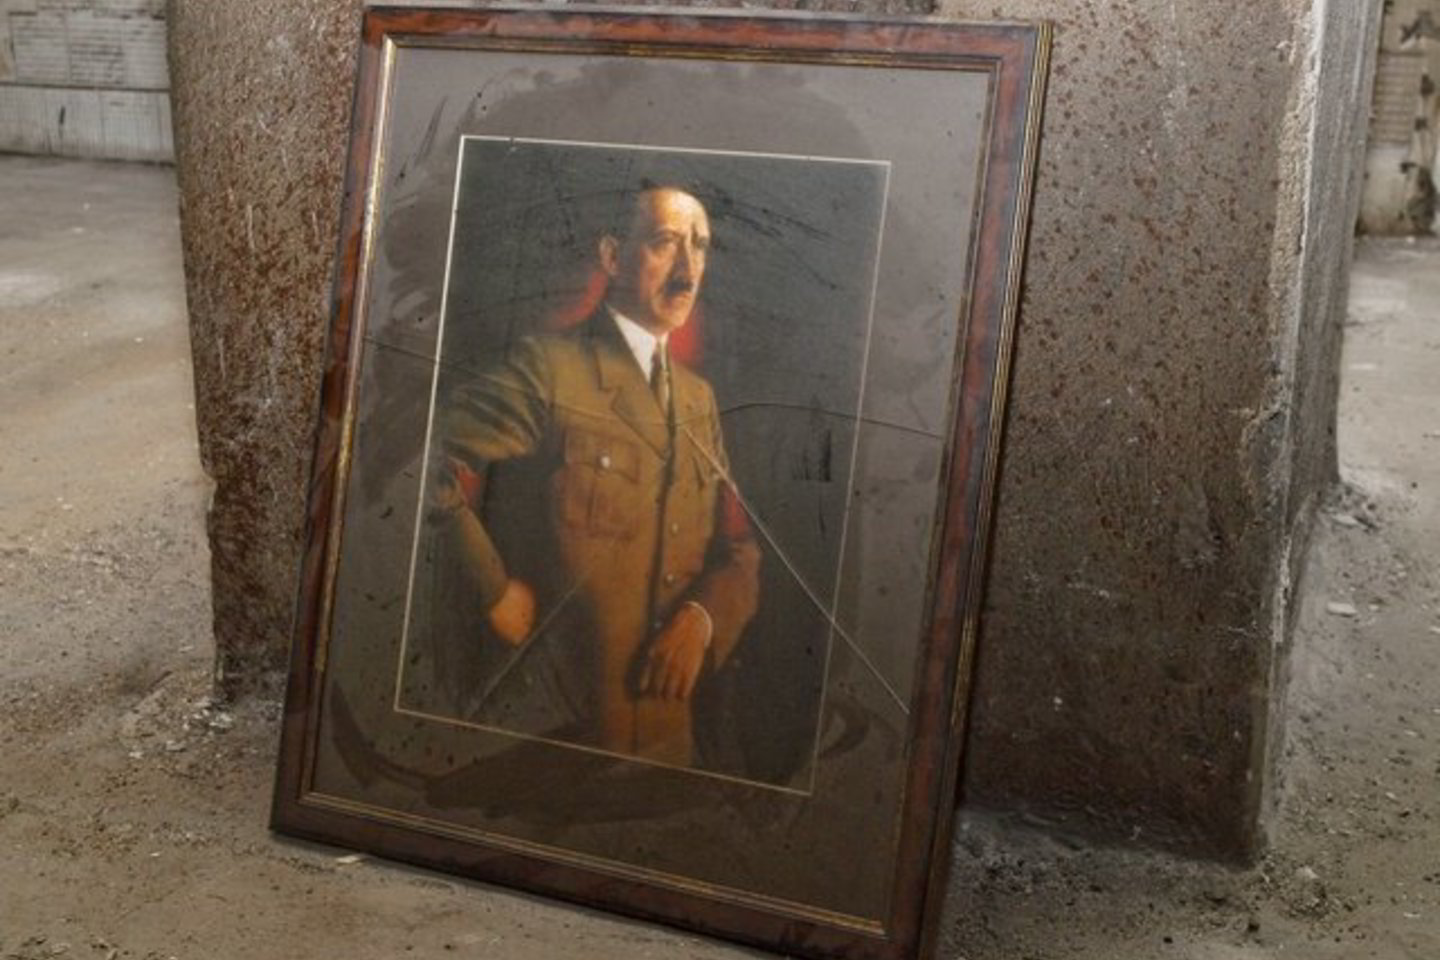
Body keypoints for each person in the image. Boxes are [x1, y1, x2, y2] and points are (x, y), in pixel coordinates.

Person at [427, 184, 762, 768]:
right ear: (611, 256)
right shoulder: (549, 368)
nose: (688, 271)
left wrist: (703, 618)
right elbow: (418, 456)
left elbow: (740, 550)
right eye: (665, 243)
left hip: (668, 745)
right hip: (551, 738)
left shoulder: (699, 400)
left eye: (701, 247)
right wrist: (492, 589)